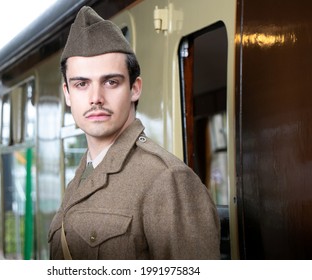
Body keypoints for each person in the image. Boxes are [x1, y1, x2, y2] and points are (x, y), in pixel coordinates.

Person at [48, 6, 220, 260]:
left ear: (135, 89)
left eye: (111, 82)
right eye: (81, 84)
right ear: (67, 94)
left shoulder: (167, 179)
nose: (96, 98)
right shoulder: (83, 175)